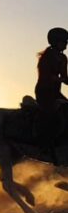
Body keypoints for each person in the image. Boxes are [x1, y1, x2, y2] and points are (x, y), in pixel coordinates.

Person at [34, 27, 68, 163]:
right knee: (52, 115)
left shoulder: (63, 58)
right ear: (55, 41)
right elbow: (46, 77)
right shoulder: (46, 57)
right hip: (44, 92)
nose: (66, 44)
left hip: (55, 92)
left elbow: (65, 77)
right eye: (64, 41)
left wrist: (65, 80)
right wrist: (60, 79)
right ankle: (45, 145)